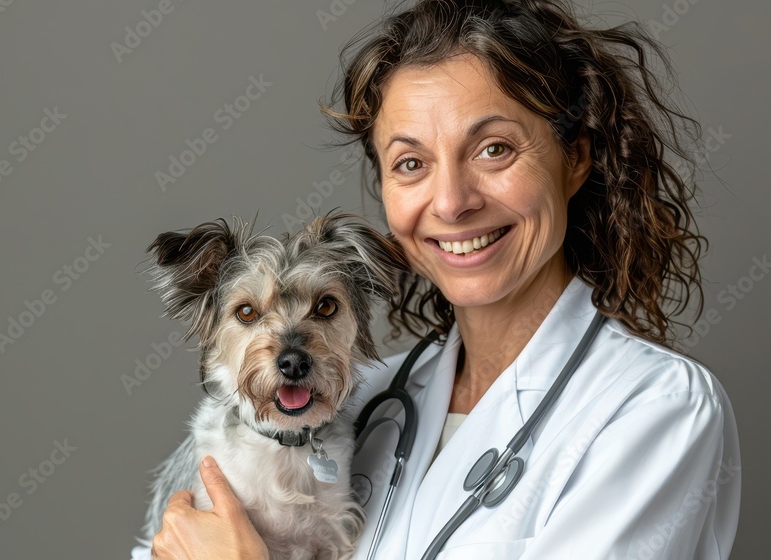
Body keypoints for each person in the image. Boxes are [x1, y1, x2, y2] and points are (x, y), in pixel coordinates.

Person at [136, 0, 741, 558]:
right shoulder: (358, 397)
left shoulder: (656, 410)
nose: (451, 202)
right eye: (411, 163)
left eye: (494, 149)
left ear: (575, 158)